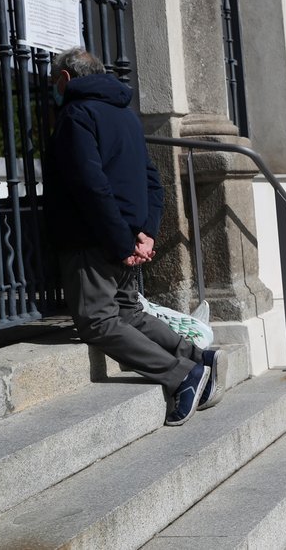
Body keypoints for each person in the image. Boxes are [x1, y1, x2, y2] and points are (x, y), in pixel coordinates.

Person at [43, 47, 223, 427]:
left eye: (52, 82)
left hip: (93, 240)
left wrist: (123, 241)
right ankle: (196, 356)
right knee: (128, 311)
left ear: (65, 80)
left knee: (97, 321)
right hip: (124, 236)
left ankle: (181, 375)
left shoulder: (77, 115)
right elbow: (151, 180)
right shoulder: (125, 116)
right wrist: (145, 234)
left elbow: (90, 187)